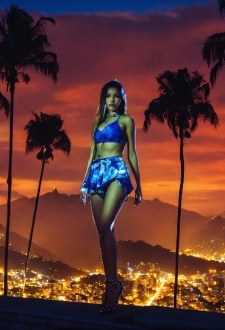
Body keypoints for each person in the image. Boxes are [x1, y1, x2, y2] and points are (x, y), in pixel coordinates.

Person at [80, 80, 142, 314]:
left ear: (122, 98)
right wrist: (84, 183)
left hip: (116, 171)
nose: (113, 100)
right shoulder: (96, 125)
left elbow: (133, 154)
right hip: (96, 174)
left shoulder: (127, 121)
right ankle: (112, 283)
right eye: (108, 96)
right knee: (103, 232)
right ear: (103, 99)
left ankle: (112, 286)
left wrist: (139, 183)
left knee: (105, 226)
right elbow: (91, 155)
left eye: (116, 96)